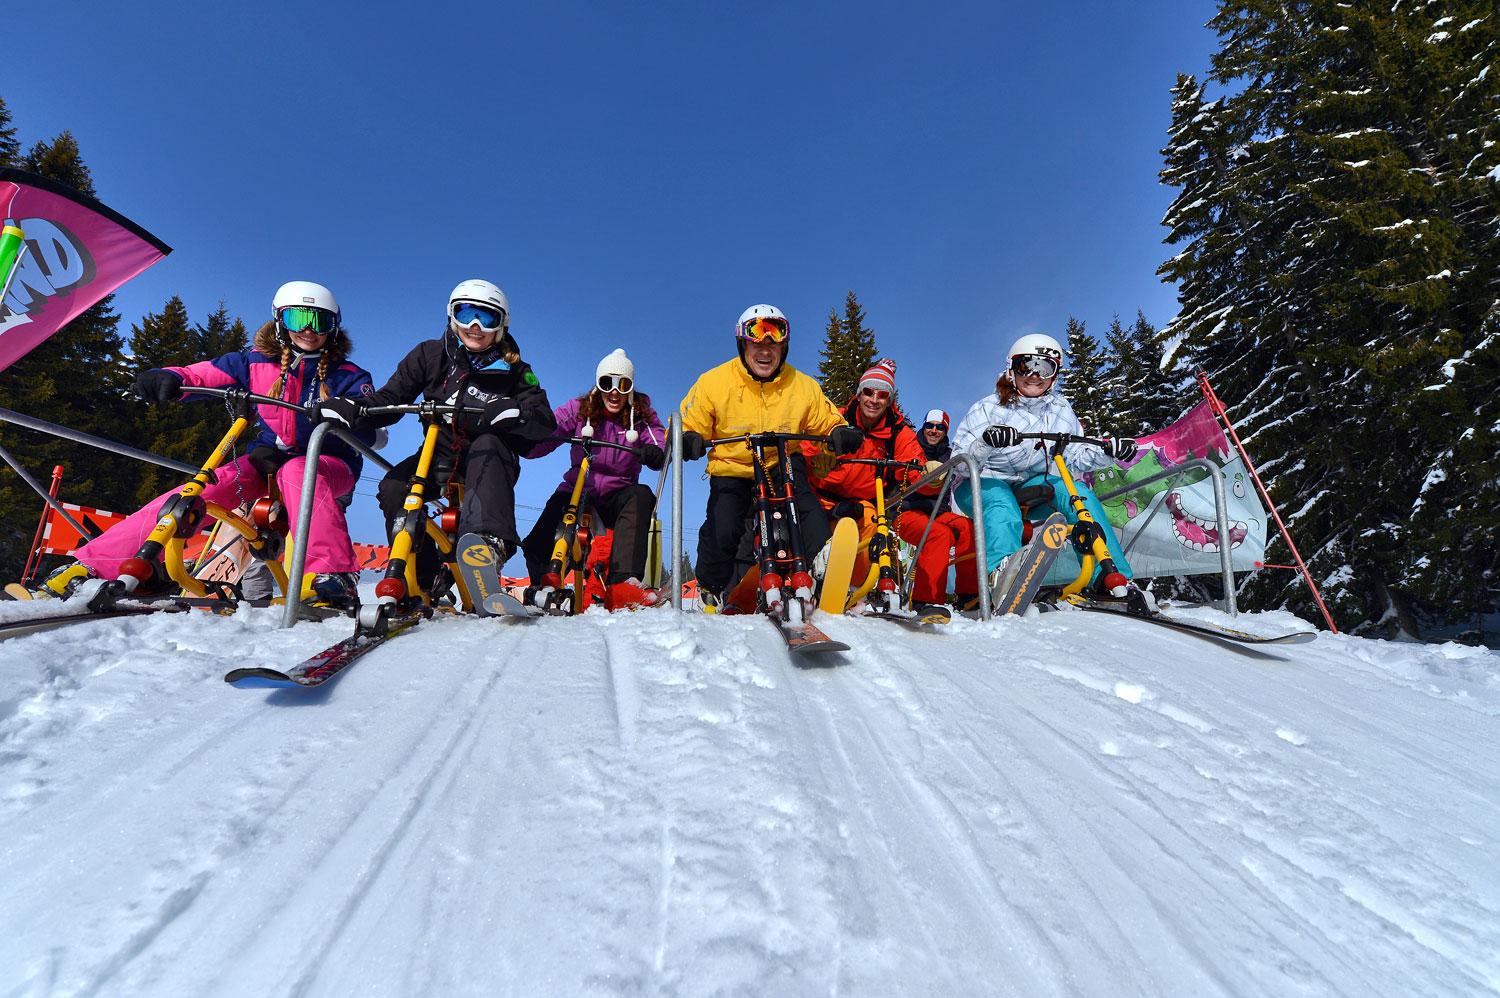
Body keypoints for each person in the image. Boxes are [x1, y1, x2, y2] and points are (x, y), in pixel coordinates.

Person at [36, 281, 374, 608]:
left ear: (335, 326)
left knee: (300, 470)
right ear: (279, 321)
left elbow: (372, 421)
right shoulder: (254, 362)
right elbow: (204, 374)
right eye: (298, 319)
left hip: (328, 465)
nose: (310, 330)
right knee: (199, 492)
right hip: (266, 461)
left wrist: (353, 417)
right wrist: (171, 377)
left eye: (321, 321)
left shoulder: (349, 375)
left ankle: (331, 575)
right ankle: (91, 566)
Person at [320, 279, 555, 581]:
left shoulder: (517, 371)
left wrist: (518, 412)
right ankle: (422, 576)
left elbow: (544, 420)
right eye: (466, 313)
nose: (475, 326)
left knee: (488, 446)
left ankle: (487, 545)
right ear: (451, 315)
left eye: (487, 318)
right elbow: (390, 400)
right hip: (438, 450)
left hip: (490, 459)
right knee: (394, 488)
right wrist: (353, 410)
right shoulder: (429, 355)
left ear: (501, 326)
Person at [678, 303, 862, 606]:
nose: (765, 349)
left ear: (784, 346)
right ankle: (710, 586)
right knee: (723, 528)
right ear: (743, 343)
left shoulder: (802, 386)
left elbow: (826, 419)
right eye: (756, 339)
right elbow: (689, 421)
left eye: (774, 339)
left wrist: (839, 432)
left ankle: (819, 575)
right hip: (733, 467)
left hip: (782, 462)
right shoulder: (714, 382)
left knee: (808, 514)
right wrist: (689, 438)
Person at [952, 332, 1138, 595]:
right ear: (1011, 369)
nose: (1034, 375)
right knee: (1001, 504)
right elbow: (959, 464)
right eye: (1026, 365)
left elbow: (1074, 456)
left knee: (1079, 495)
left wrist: (1109, 452)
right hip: (982, 480)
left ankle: (1110, 577)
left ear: (1054, 375)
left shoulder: (1061, 410)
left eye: (1045, 367)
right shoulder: (986, 408)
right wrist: (986, 442)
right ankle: (1002, 576)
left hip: (1033, 484)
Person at [804, 362, 977, 616]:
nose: (874, 400)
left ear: (889, 399)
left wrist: (930, 476)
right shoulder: (836, 419)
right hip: (825, 499)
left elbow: (913, 469)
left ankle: (859, 590)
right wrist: (818, 457)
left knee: (872, 525)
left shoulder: (899, 433)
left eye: (882, 395)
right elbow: (808, 446)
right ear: (859, 392)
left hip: (871, 504)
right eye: (868, 392)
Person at [522, 348, 667, 610]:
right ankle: (542, 582)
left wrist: (655, 452)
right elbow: (551, 430)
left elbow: (657, 438)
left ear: (630, 388)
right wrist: (528, 440)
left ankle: (624, 583)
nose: (614, 392)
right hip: (578, 487)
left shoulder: (641, 415)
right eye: (607, 383)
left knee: (641, 495)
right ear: (598, 385)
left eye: (622, 385)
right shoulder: (580, 410)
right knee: (538, 540)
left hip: (617, 495)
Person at [893, 406, 982, 613]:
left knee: (968, 528)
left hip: (938, 513)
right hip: (906, 512)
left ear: (945, 431)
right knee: (937, 535)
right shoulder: (910, 448)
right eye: (929, 426)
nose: (934, 431)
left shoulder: (951, 456)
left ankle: (968, 594)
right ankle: (927, 600)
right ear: (923, 427)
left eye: (940, 427)